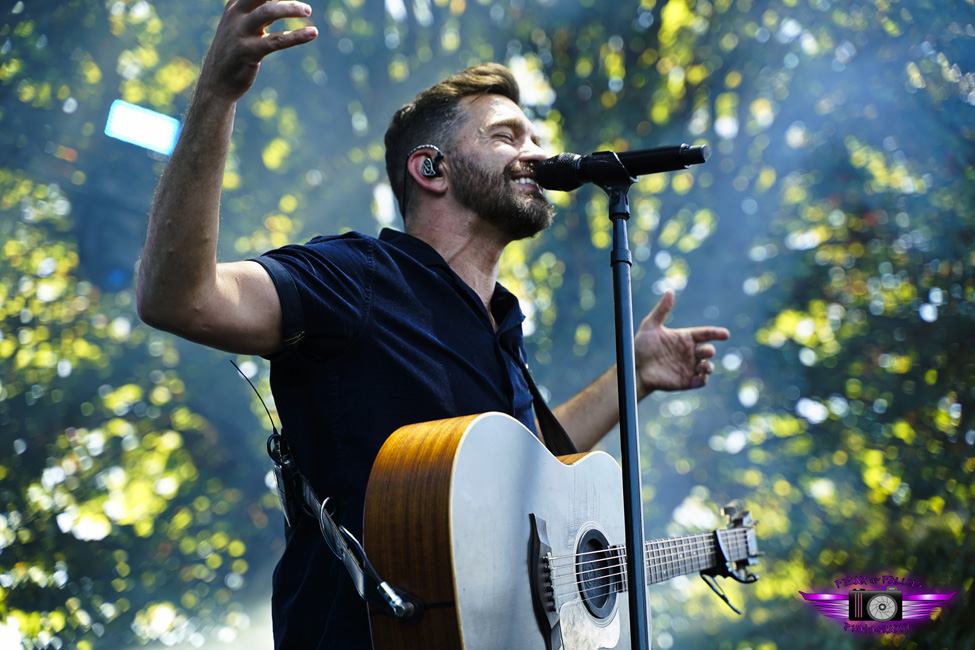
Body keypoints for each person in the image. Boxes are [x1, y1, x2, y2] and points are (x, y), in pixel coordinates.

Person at [136, 1, 730, 647]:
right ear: (431, 168)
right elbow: (181, 299)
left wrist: (632, 375)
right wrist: (217, 94)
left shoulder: (500, 326)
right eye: (507, 136)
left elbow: (544, 478)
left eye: (534, 137)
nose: (536, 153)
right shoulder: (357, 275)